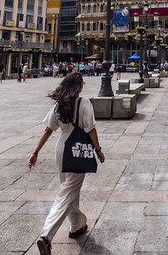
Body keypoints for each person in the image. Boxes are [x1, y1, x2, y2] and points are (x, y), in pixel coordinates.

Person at [29, 73, 105, 254]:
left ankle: (77, 225)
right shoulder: (85, 103)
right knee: (66, 193)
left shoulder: (59, 105)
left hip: (61, 149)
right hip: (77, 149)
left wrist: (35, 152)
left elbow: (48, 130)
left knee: (68, 190)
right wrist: (98, 149)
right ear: (78, 87)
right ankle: (46, 235)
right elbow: (90, 129)